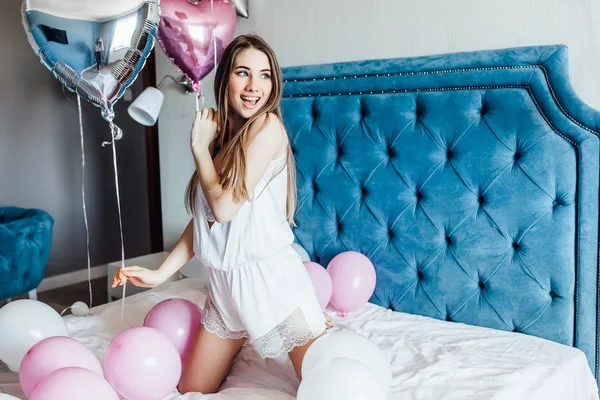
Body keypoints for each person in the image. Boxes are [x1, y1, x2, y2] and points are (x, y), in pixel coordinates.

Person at [112, 33, 332, 395]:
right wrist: (160, 273)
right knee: (191, 388)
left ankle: (318, 328)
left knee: (327, 383)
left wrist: (198, 147)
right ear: (225, 78)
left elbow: (225, 208)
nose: (254, 86)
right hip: (224, 291)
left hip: (271, 286)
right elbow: (204, 220)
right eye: (243, 73)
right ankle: (245, 334)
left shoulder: (267, 128)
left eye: (265, 76)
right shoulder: (221, 139)